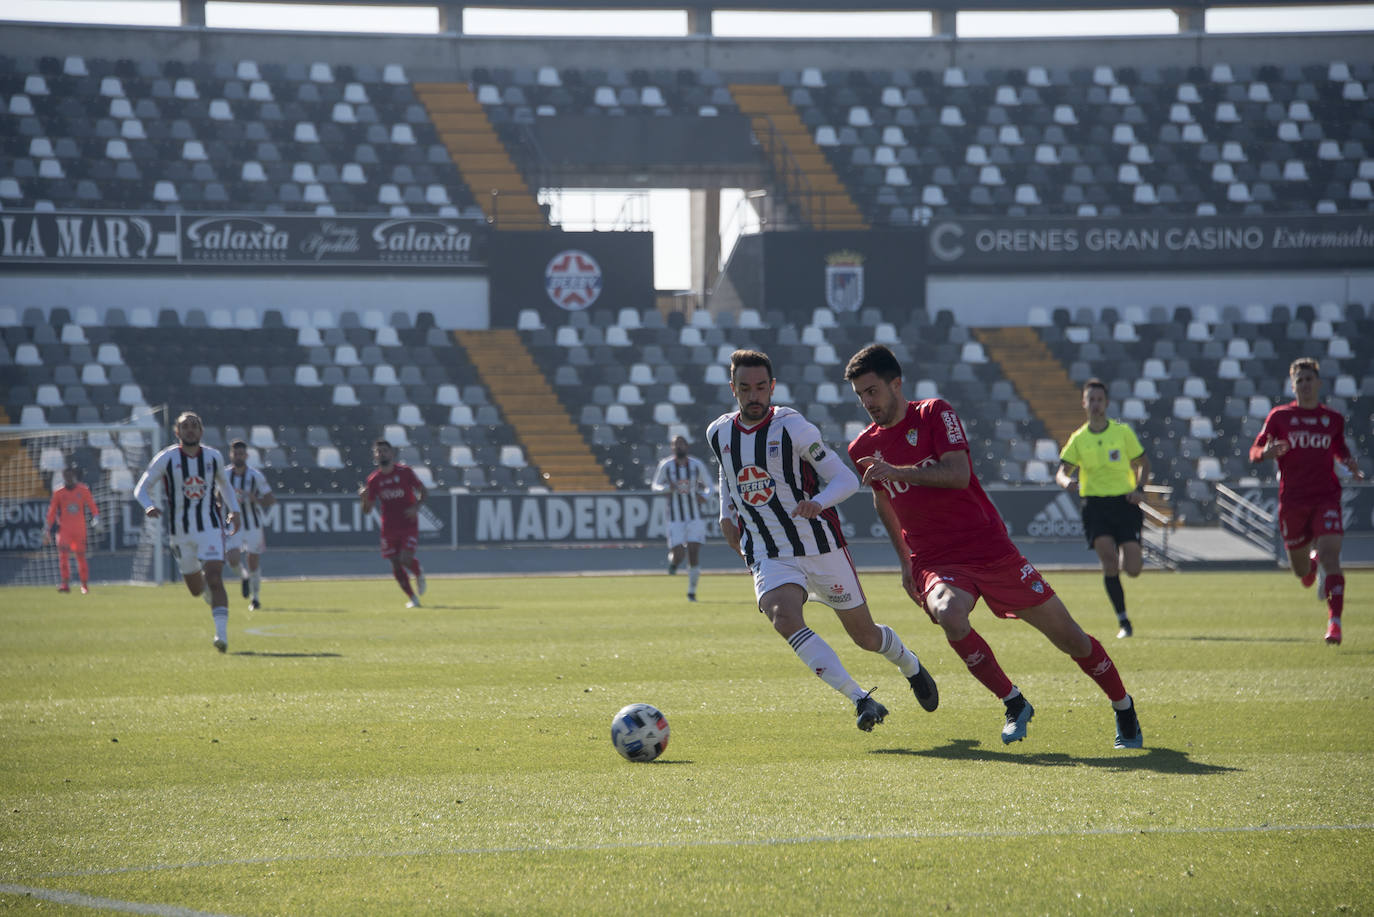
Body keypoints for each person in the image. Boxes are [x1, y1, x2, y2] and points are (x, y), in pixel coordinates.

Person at [844, 344, 1142, 749]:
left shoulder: (934, 413)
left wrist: (898, 471)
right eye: (860, 394)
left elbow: (957, 473)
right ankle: (1014, 702)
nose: (867, 402)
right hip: (934, 559)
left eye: (872, 391)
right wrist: (904, 563)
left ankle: (1123, 706)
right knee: (949, 614)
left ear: (897, 384)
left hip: (990, 550)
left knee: (1070, 638)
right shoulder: (862, 448)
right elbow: (883, 498)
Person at [706, 348, 938, 733]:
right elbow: (726, 473)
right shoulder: (718, 432)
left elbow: (846, 480)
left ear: (772, 387)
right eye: (745, 388)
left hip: (820, 546)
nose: (754, 395)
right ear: (733, 389)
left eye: (761, 387)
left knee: (865, 636)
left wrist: (817, 502)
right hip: (769, 550)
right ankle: (861, 698)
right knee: (782, 616)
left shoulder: (792, 427)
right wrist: (725, 513)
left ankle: (909, 664)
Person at [1249, 357, 1364, 645]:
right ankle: (1309, 563)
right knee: (1300, 570)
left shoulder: (1332, 420)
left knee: (1331, 555)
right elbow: (1255, 450)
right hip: (1293, 501)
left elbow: (1340, 449)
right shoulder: (1279, 417)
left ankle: (1334, 623)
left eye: (1309, 379)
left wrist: (1349, 463)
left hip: (1326, 496)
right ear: (1293, 386)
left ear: (1319, 383)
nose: (1305, 385)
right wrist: (1266, 453)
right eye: (1299, 380)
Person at [133, 411, 241, 653]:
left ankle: (221, 635)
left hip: (211, 527)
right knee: (196, 588)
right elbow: (141, 488)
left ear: (201, 431)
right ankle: (207, 596)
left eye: (194, 426)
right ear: (176, 432)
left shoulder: (213, 457)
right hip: (180, 532)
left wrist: (234, 511)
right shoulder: (167, 458)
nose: (190, 430)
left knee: (214, 576)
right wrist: (148, 505)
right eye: (185, 426)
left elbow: (225, 485)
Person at [1055, 378, 1152, 639]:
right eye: (1091, 400)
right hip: (1095, 506)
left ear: (1106, 403)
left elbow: (1144, 462)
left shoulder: (1122, 433)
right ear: (1084, 403)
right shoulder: (1079, 438)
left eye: (1100, 400)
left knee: (1132, 569)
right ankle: (1124, 622)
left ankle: (1125, 552)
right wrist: (1066, 482)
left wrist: (1139, 489)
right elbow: (1062, 471)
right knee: (1108, 561)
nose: (1096, 404)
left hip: (1123, 503)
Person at [360, 439, 427, 608]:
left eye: (384, 450)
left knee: (405, 559)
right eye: (378, 451)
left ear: (392, 453)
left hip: (408, 523)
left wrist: (416, 507)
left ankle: (418, 573)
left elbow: (423, 491)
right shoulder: (373, 480)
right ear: (375, 456)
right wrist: (363, 497)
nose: (382, 453)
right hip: (389, 527)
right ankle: (413, 598)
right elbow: (367, 510)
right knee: (395, 563)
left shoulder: (405, 472)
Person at [650, 434, 713, 601]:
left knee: (693, 551)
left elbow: (710, 486)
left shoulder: (696, 465)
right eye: (676, 444)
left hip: (695, 517)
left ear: (687, 446)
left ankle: (692, 591)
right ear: (672, 447)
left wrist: (704, 497)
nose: (679, 447)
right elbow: (655, 486)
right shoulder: (666, 465)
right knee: (679, 554)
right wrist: (666, 488)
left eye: (682, 444)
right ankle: (674, 563)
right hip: (675, 518)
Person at [224, 439, 276, 611]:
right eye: (235, 453)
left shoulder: (255, 476)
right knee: (232, 559)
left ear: (246, 456)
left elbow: (270, 499)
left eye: (241, 454)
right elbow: (216, 496)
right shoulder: (224, 475)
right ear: (231, 455)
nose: (238, 456)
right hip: (233, 524)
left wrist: (255, 499)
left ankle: (255, 598)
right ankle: (243, 576)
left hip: (253, 524)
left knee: (253, 560)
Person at [42, 465, 99, 594]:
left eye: (70, 474)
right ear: (63, 476)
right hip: (64, 530)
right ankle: (65, 584)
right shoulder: (59, 492)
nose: (68, 477)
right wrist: (47, 528)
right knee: (63, 558)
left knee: (81, 558)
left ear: (73, 475)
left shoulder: (83, 490)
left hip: (79, 529)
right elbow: (51, 512)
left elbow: (92, 505)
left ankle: (84, 585)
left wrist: (97, 518)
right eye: (65, 475)